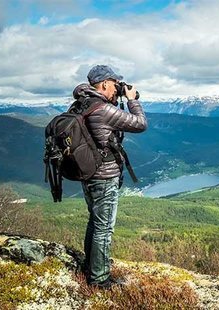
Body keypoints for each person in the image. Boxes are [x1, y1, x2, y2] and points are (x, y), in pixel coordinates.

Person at [71, 65, 147, 289]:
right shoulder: (102, 110)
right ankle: (99, 279)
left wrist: (117, 98)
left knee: (95, 222)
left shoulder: (82, 104)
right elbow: (140, 124)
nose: (117, 89)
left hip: (88, 174)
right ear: (104, 84)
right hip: (104, 177)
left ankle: (90, 267)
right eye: (115, 84)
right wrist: (132, 100)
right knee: (104, 228)